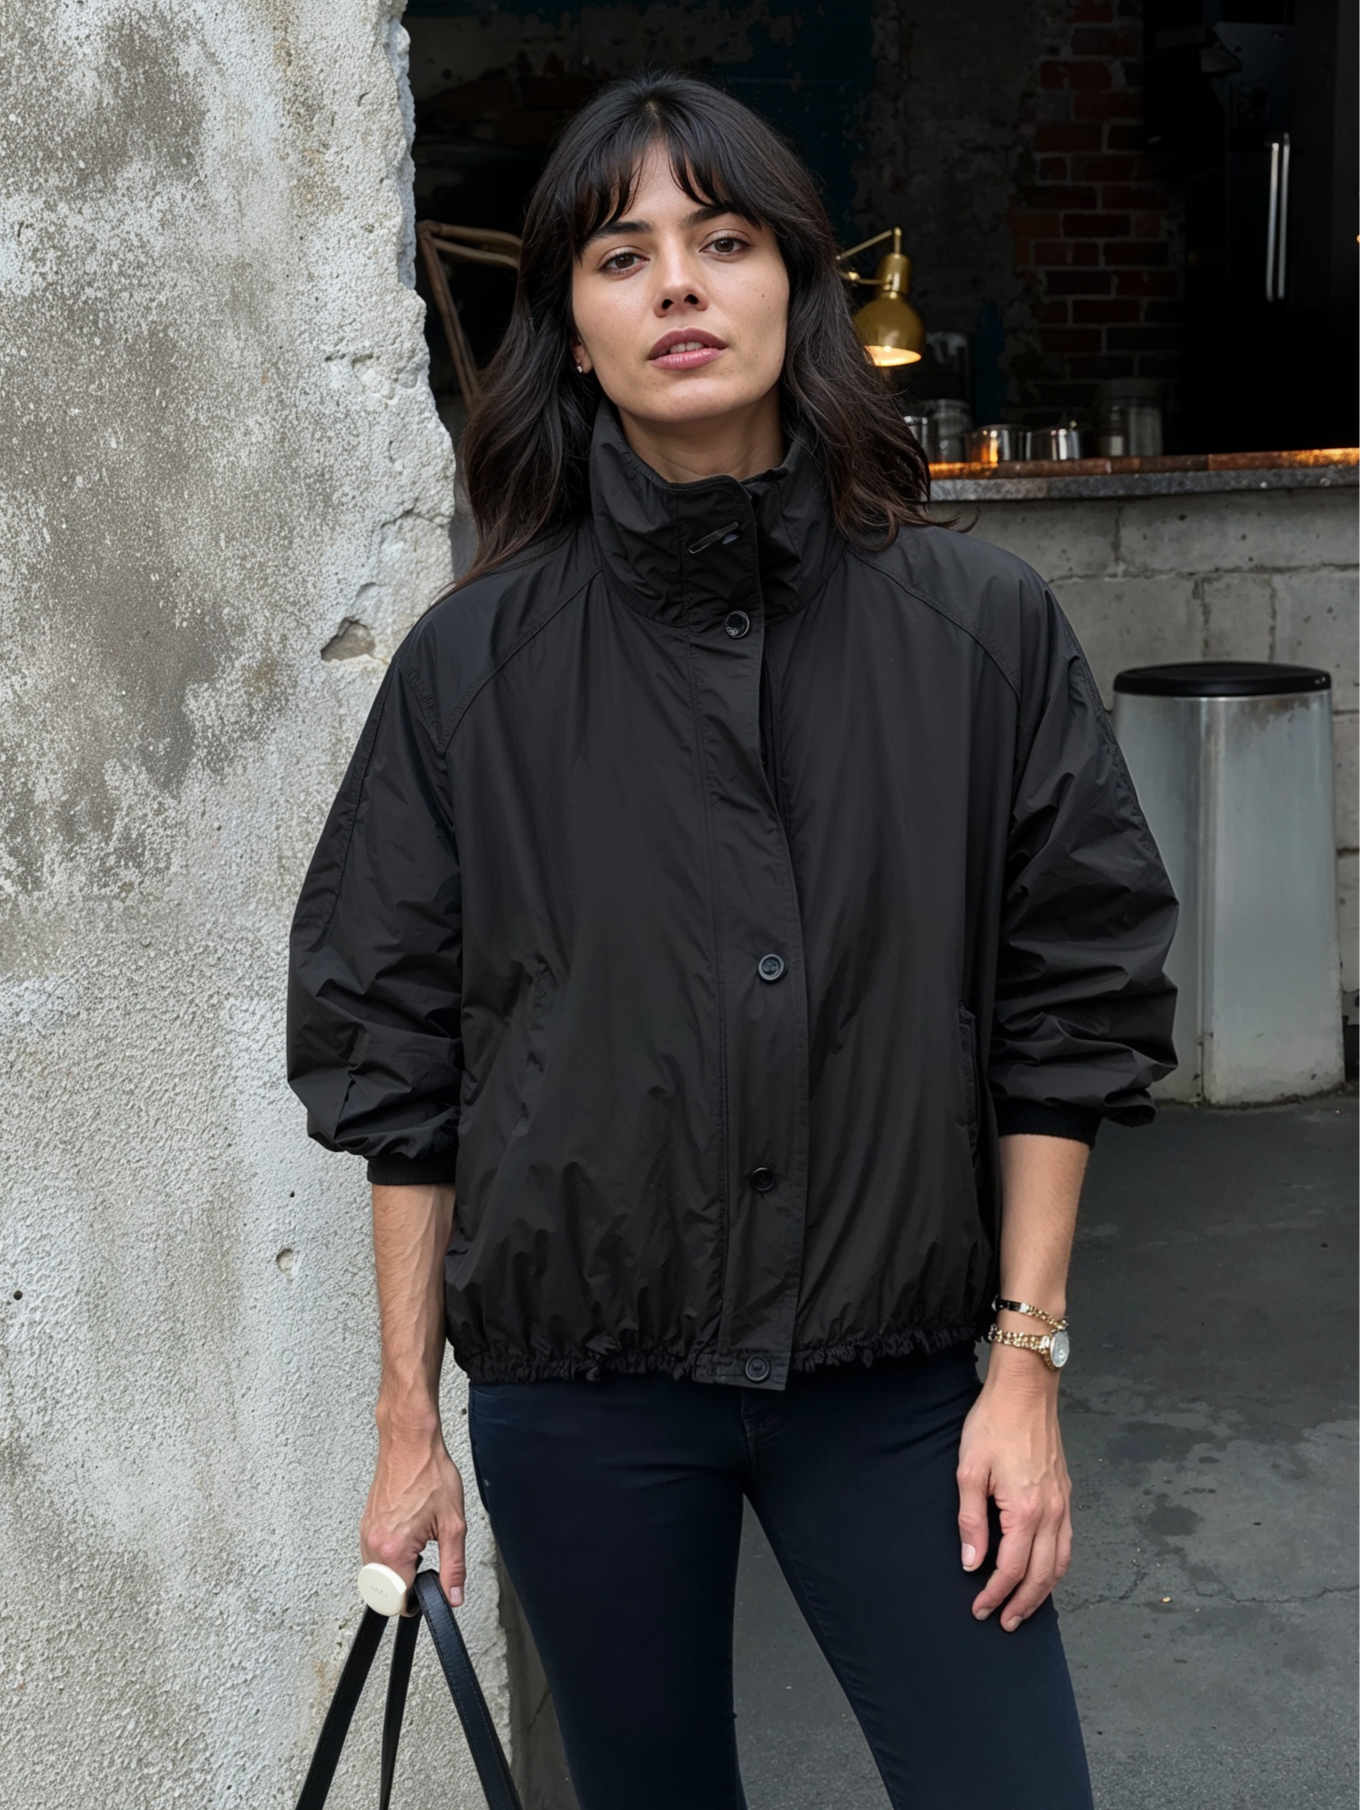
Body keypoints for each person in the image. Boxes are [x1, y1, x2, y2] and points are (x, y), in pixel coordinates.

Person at [287, 71, 1176, 1810]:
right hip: (585, 1385)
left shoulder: (980, 631)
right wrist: (410, 1423)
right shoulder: (472, 674)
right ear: (571, 326)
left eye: (724, 237)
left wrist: (1027, 1361)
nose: (678, 283)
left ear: (798, 285)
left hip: (903, 1372)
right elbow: (399, 1060)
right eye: (621, 255)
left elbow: (1070, 1001)